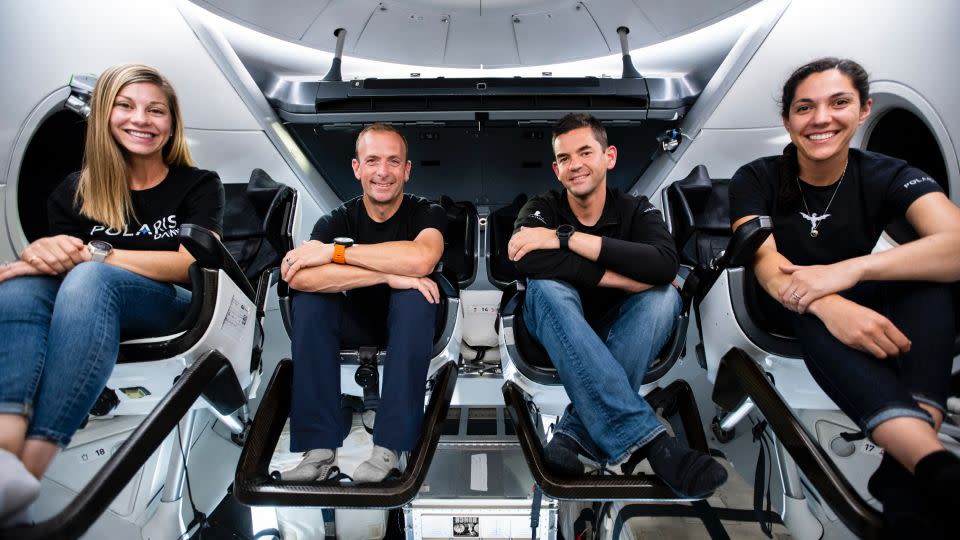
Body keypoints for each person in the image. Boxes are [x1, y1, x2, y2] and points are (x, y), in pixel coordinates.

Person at [729, 57, 960, 536]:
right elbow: (767, 263)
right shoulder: (756, 177)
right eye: (805, 107)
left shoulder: (891, 174)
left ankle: (909, 467)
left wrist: (846, 273)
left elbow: (954, 245)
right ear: (788, 120)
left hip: (845, 282)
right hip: (779, 298)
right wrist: (826, 301)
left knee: (930, 282)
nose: (821, 119)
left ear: (863, 110)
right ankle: (933, 465)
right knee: (813, 315)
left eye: (839, 103)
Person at [0, 63, 224, 524]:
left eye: (155, 110)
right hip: (89, 302)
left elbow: (189, 264)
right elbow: (63, 266)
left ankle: (33, 466)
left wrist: (94, 254)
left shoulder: (198, 185)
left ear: (171, 124)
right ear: (104, 114)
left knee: (89, 278)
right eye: (126, 106)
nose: (141, 119)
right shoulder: (73, 193)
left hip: (175, 307)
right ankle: (5, 456)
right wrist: (43, 254)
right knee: (25, 285)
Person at [509, 113, 728, 498]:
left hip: (620, 329)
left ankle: (574, 435)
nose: (574, 165)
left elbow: (662, 265)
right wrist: (619, 278)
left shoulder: (635, 209)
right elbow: (524, 258)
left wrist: (568, 239)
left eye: (584, 152)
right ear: (556, 169)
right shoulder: (541, 207)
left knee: (664, 296)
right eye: (564, 158)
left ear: (609, 157)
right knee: (547, 287)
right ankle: (651, 445)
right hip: (550, 326)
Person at [280, 123, 445, 484]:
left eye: (392, 161)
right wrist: (386, 274)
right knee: (309, 299)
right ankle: (320, 451)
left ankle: (390, 447)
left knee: (414, 294)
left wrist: (337, 254)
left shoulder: (426, 214)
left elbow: (421, 261)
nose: (382, 172)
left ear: (407, 170)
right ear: (357, 168)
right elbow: (299, 275)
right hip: (351, 323)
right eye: (372, 161)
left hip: (408, 324)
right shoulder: (334, 220)